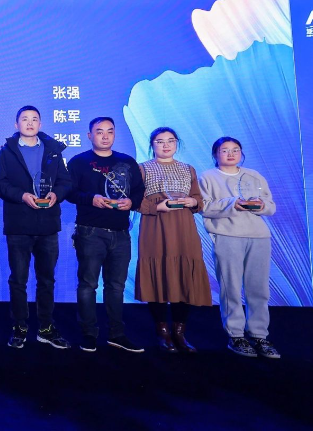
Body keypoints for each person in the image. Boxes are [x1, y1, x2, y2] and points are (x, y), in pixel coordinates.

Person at [0, 106, 72, 350]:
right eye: (25, 119)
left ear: (40, 124)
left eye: (34, 119)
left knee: (46, 280)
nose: (30, 123)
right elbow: (0, 184)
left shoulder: (53, 151)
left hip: (48, 225)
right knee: (18, 280)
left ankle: (46, 328)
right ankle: (19, 327)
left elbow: (65, 181)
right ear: (16, 124)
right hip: (19, 225)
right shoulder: (6, 152)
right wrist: (22, 196)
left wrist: (56, 194)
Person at [66, 117, 145, 353]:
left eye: (110, 131)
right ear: (89, 135)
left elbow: (139, 191)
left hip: (121, 233)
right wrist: (91, 199)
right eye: (99, 132)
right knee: (88, 285)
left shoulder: (127, 161)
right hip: (90, 231)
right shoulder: (79, 162)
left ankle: (117, 334)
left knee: (116, 286)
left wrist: (132, 202)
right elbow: (69, 192)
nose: (105, 136)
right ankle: (89, 334)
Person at [199, 137, 280, 358]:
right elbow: (204, 207)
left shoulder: (254, 175)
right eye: (224, 150)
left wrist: (260, 205)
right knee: (231, 288)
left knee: (259, 288)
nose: (231, 154)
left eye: (235, 150)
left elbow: (270, 206)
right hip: (227, 236)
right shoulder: (208, 177)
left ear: (241, 153)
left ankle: (259, 335)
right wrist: (232, 203)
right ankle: (236, 335)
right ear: (215, 154)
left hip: (259, 237)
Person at [137, 127, 211, 353]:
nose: (166, 145)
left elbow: (198, 199)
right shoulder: (142, 168)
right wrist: (156, 206)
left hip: (183, 227)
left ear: (177, 144)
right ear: (152, 145)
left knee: (183, 275)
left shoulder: (188, 169)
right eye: (160, 141)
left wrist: (193, 202)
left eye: (171, 140)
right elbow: (134, 201)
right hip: (155, 225)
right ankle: (162, 332)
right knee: (158, 274)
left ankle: (180, 333)